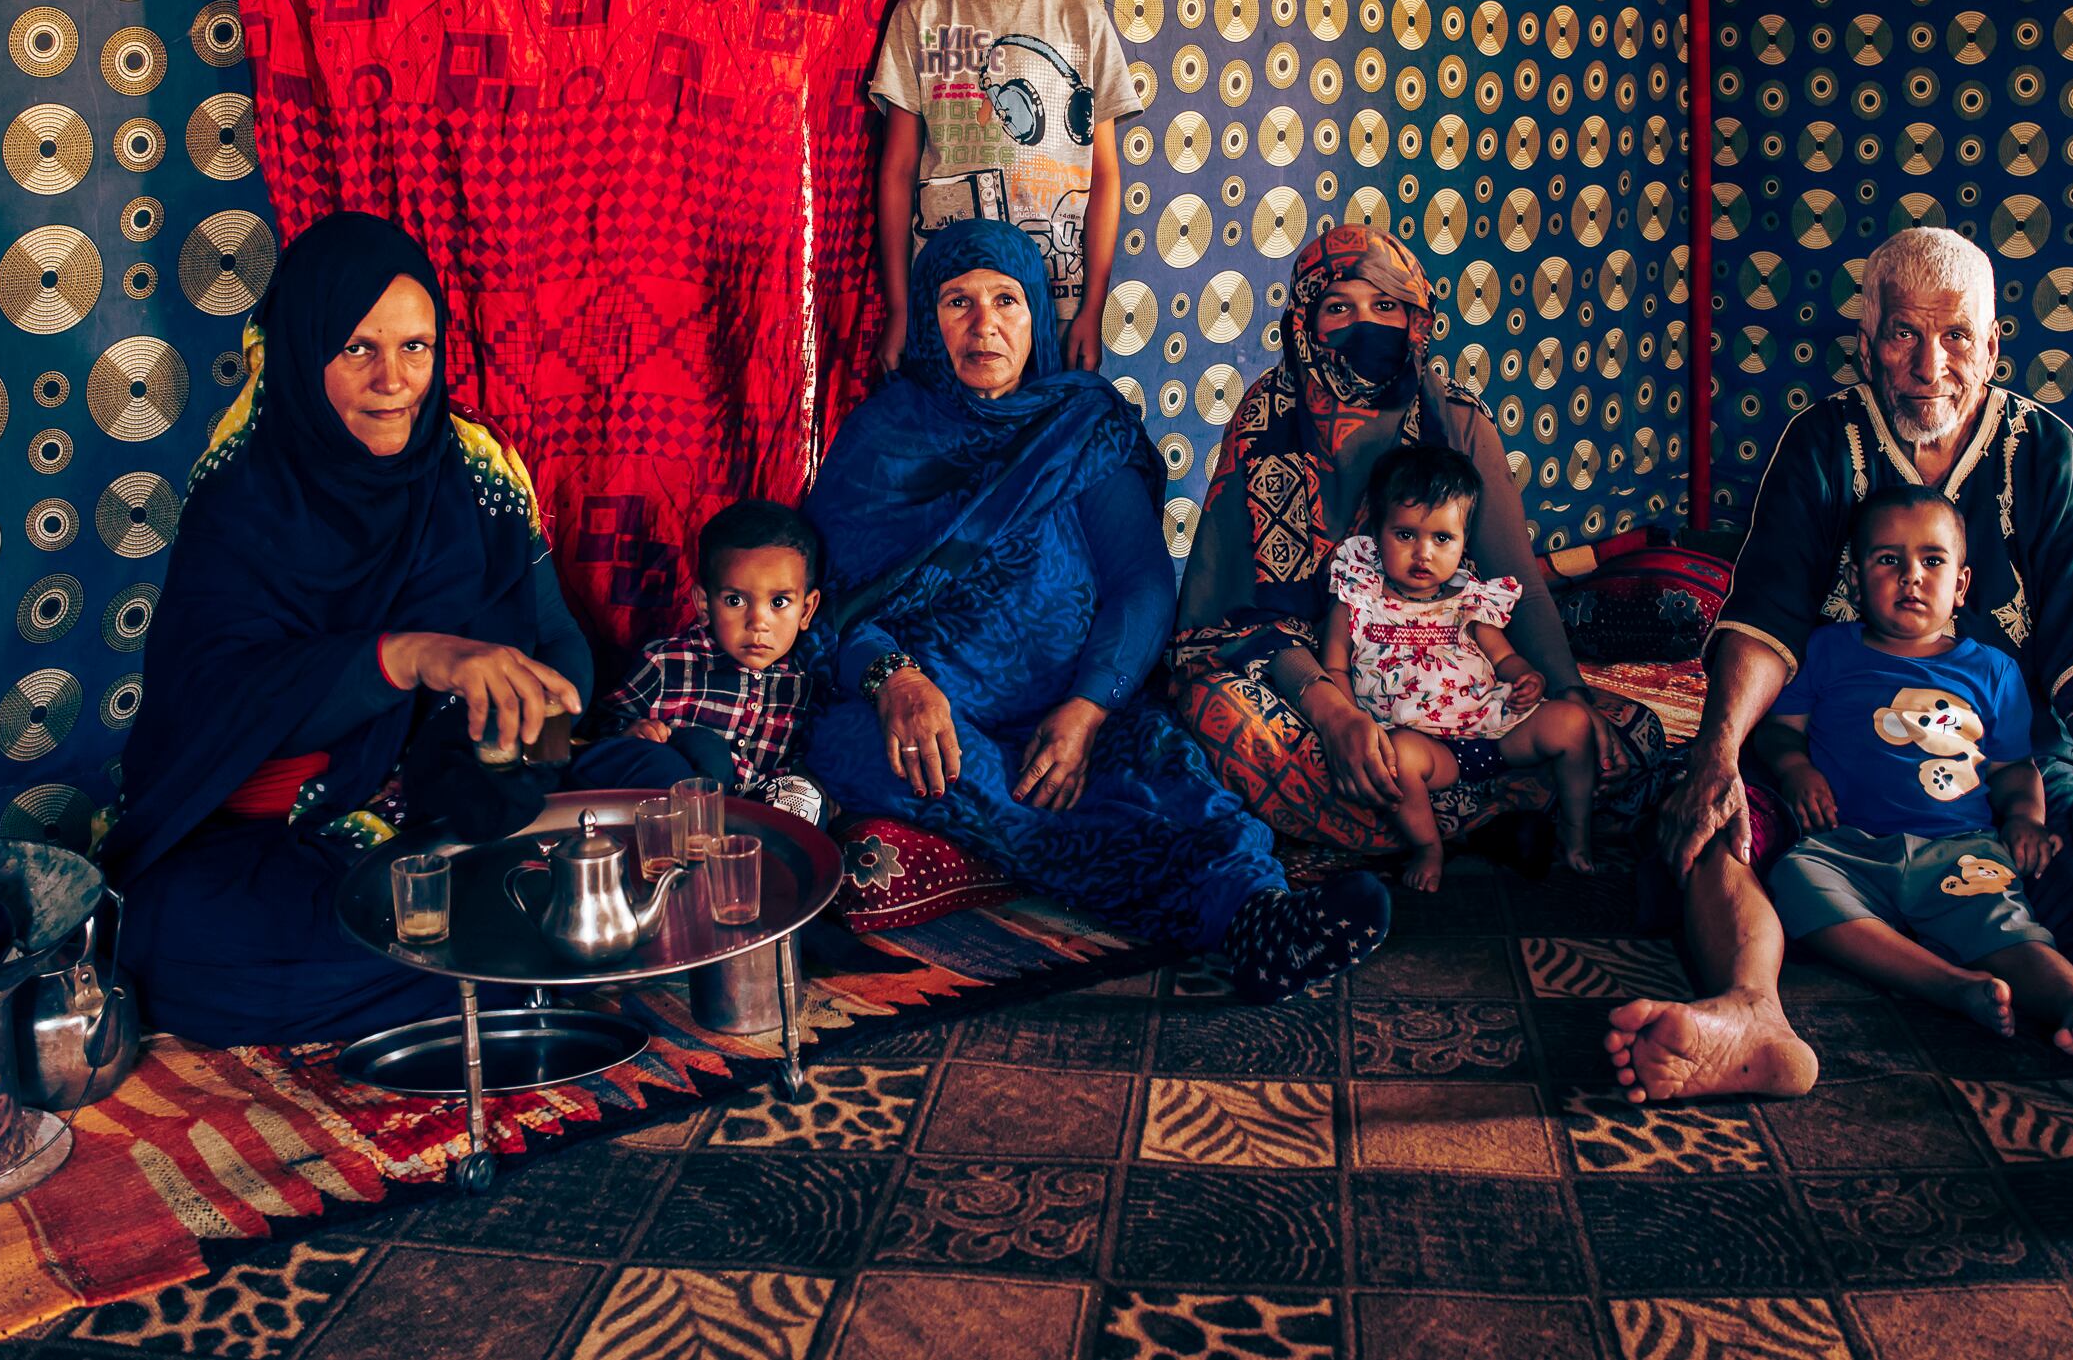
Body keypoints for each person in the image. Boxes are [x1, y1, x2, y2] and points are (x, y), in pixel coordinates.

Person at [1607, 225, 2073, 1162]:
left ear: (1994, 345)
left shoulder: (2042, 450)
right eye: (1902, 335)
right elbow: (1765, 615)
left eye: (1957, 337)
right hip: (1837, 742)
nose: (1930, 366)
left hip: (1998, 739)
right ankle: (1749, 1014)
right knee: (1713, 821)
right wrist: (1721, 753)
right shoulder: (1823, 443)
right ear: (1867, 341)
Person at [105, 212, 689, 1046]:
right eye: (358, 349)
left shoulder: (475, 469)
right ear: (305, 353)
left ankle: (494, 953)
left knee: (660, 788)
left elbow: (555, 641)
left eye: (416, 347)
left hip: (463, 800)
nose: (395, 380)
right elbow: (218, 704)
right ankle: (549, 947)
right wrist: (408, 658)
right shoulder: (240, 498)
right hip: (293, 831)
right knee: (178, 937)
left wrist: (530, 734)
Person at [805, 221, 1391, 1001]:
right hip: (942, 719)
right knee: (856, 743)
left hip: (1080, 703)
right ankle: (1200, 902)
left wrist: (1085, 710)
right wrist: (893, 679)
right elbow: (828, 602)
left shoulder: (1080, 426)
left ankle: (1261, 917)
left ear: (1038, 315)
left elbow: (1142, 584)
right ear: (928, 317)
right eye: (958, 302)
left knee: (1173, 772)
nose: (985, 325)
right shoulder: (882, 438)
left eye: (1007, 300)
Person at [1170, 223, 1674, 855]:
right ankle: (1485, 812)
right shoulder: (1265, 417)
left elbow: (1518, 585)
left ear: (1416, 317)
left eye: (1385, 305)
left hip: (1455, 683)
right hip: (1301, 663)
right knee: (1223, 720)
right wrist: (1336, 716)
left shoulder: (1456, 420)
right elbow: (1230, 619)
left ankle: (1400, 821)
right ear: (1304, 322)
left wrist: (1567, 692)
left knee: (1627, 735)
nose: (1366, 324)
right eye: (1338, 307)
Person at [1751, 488, 2073, 1059]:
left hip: (1959, 847)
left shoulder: (1992, 669)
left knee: (2007, 926)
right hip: (1847, 848)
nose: (1911, 577)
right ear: (1855, 580)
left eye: (1932, 561)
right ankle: (1947, 984)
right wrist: (1795, 766)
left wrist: (2025, 818)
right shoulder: (1827, 651)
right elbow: (1781, 729)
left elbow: (2013, 766)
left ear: (1962, 584)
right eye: (1887, 560)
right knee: (1797, 883)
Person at [871, 0, 1137, 374]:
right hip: (946, 306)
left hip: (1053, 311)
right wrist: (897, 307)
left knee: (1041, 458)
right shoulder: (919, 18)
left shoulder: (1084, 21)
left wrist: (1092, 307)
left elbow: (1106, 174)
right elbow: (896, 171)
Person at [1323, 444, 1600, 890]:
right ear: (1378, 533)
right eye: (1406, 534)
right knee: (1397, 760)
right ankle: (1429, 846)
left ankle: (1576, 833)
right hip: (1425, 747)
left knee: (1573, 724)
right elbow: (1334, 668)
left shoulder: (1469, 601)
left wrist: (1528, 678)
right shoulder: (1360, 602)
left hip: (1495, 728)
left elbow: (1504, 657)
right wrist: (1349, 716)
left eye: (1442, 538)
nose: (1423, 553)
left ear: (1464, 542)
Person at [601, 499, 830, 821]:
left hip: (754, 819)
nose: (758, 622)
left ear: (806, 610)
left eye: (779, 602)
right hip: (675, 810)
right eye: (735, 600)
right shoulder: (666, 661)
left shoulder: (804, 683)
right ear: (704, 604)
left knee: (805, 796)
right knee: (704, 747)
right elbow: (602, 727)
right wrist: (632, 732)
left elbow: (805, 759)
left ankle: (765, 863)